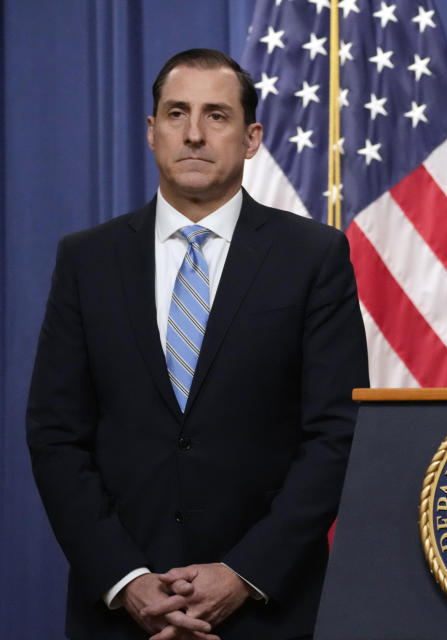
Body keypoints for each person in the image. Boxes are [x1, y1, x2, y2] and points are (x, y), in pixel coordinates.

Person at [26, 49, 368, 639]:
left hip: (266, 610)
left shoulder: (314, 257)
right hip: (119, 613)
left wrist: (243, 572)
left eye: (216, 116)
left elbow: (337, 434)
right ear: (151, 130)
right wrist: (126, 577)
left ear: (251, 137)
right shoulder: (86, 260)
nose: (193, 134)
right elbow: (56, 434)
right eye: (177, 113)